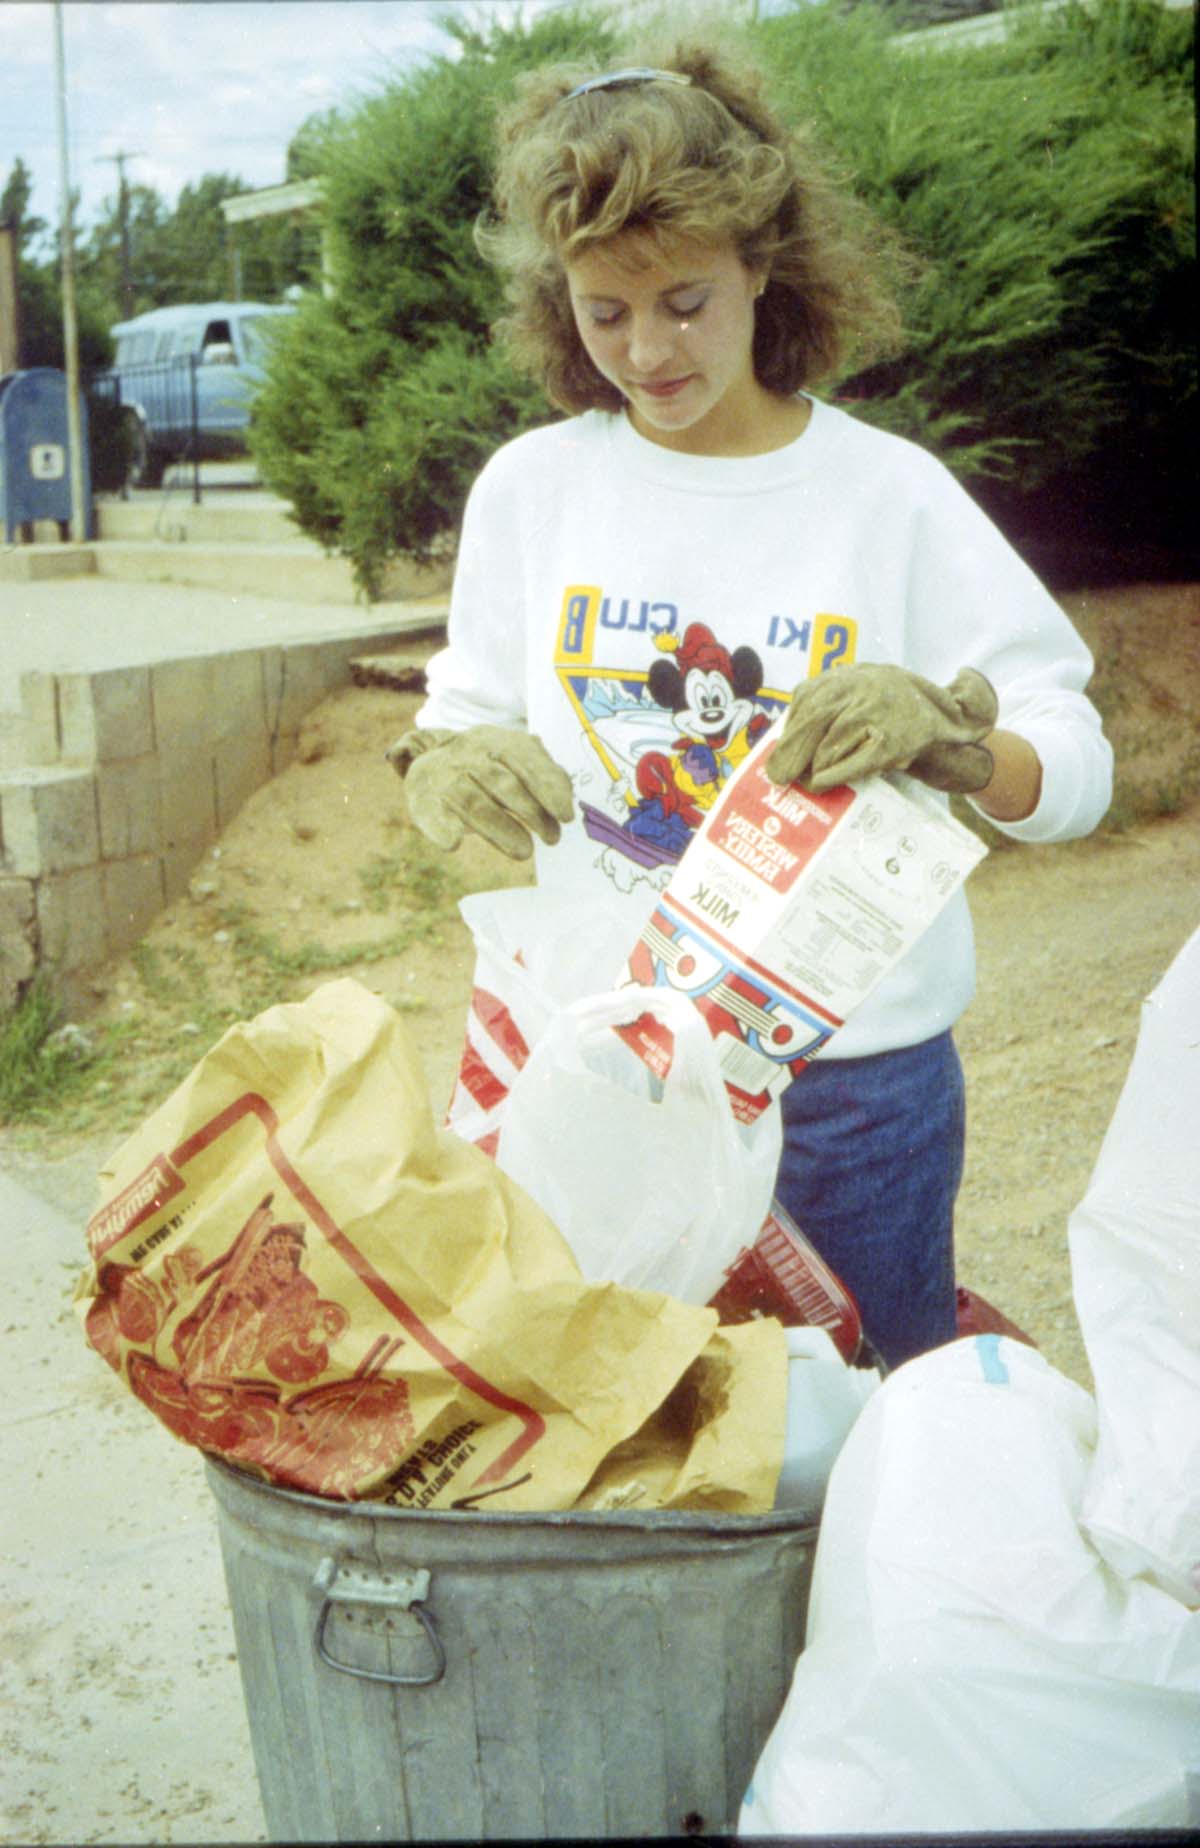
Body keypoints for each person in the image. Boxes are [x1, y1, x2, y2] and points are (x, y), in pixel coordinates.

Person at [387, 36, 1113, 1370]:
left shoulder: (886, 498)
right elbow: (460, 708)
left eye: (685, 300)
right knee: (616, 1454)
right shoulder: (534, 492)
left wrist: (961, 747)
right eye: (604, 311)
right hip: (603, 1078)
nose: (648, 350)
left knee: (866, 1469)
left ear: (763, 264)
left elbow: (1075, 767)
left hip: (849, 1101)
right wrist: (443, 760)